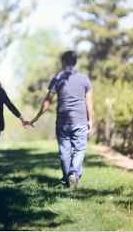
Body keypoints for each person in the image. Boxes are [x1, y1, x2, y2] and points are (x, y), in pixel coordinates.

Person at [27, 50, 94, 189]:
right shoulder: (84, 78)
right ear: (75, 62)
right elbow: (89, 102)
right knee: (80, 150)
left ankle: (66, 180)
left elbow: (47, 101)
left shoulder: (57, 78)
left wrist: (36, 117)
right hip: (80, 120)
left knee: (64, 151)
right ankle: (74, 174)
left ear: (63, 62)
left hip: (62, 121)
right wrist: (90, 119)